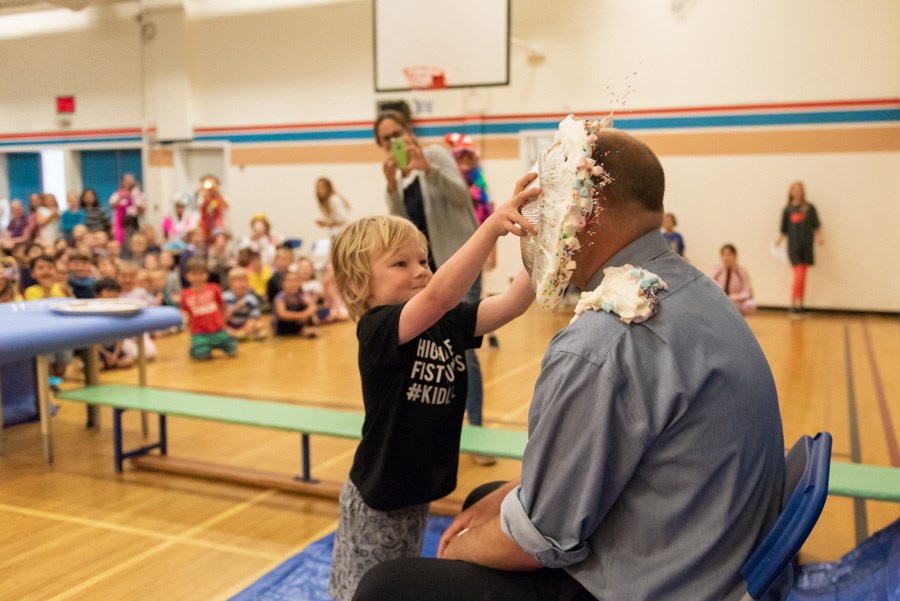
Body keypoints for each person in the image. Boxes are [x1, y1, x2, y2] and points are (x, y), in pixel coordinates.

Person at [353, 129, 786, 601]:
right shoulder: (692, 287)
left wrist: (458, 549)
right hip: (714, 553)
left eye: (552, 199)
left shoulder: (600, 343)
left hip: (664, 580)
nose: (545, 216)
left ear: (587, 210)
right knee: (487, 499)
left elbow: (541, 538)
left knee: (387, 587)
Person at [327, 175, 538, 601]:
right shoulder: (379, 327)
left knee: (396, 583)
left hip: (414, 490)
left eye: (423, 260)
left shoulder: (446, 322)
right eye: (400, 264)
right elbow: (440, 297)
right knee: (365, 591)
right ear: (356, 286)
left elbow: (512, 304)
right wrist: (491, 226)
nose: (421, 270)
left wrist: (547, 241)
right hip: (379, 498)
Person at [374, 110, 488, 450]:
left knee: (464, 348)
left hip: (463, 262)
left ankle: (478, 432)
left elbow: (461, 196)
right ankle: (439, 429)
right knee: (431, 351)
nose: (394, 141)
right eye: (385, 138)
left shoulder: (435, 155)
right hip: (427, 275)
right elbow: (400, 227)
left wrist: (427, 169)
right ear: (379, 144)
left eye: (398, 132)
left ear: (409, 131)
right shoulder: (398, 175)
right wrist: (393, 187)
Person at [775, 181, 823, 316]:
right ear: (791, 192)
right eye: (794, 189)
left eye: (799, 189)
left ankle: (800, 304)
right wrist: (777, 242)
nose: (797, 191)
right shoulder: (788, 210)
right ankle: (793, 305)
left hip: (806, 245)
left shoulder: (809, 208)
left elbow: (816, 225)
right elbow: (783, 230)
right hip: (794, 246)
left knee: (803, 276)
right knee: (798, 275)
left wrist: (819, 237)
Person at [180, 258, 237, 360]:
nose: (198, 277)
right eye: (194, 274)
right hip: (199, 333)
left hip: (218, 329)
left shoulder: (215, 288)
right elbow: (185, 313)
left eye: (201, 274)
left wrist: (225, 323)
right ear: (187, 276)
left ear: (207, 274)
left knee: (233, 350)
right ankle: (197, 348)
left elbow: (222, 306)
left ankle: (219, 343)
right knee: (201, 355)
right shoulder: (185, 294)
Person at [710, 243, 756, 316]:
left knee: (750, 305)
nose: (726, 258)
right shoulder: (716, 271)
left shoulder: (742, 272)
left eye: (728, 255)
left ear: (735, 256)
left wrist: (735, 297)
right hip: (719, 301)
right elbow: (709, 289)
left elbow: (747, 292)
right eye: (723, 255)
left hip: (736, 302)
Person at [271, 269, 318, 338]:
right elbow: (282, 314)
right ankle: (303, 330)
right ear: (283, 284)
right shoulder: (280, 297)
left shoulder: (300, 295)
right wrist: (300, 315)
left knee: (306, 311)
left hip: (298, 321)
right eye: (289, 281)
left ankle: (304, 329)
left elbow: (312, 305)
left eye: (295, 281)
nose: (293, 284)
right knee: (285, 322)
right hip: (283, 325)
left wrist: (306, 314)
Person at [223, 267, 267, 340]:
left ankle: (243, 334)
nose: (243, 284)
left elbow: (254, 316)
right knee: (221, 329)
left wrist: (248, 327)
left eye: (245, 281)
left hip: (245, 324)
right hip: (230, 325)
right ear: (230, 284)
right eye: (239, 281)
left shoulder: (251, 298)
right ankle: (238, 335)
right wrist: (235, 307)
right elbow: (223, 318)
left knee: (260, 324)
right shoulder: (224, 297)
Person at [109, 174, 144, 246]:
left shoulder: (137, 193)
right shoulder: (117, 194)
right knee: (123, 244)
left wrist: (135, 198)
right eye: (126, 181)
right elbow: (112, 205)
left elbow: (142, 211)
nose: (128, 183)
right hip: (121, 223)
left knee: (135, 243)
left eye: (130, 181)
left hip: (134, 223)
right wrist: (121, 197)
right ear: (123, 182)